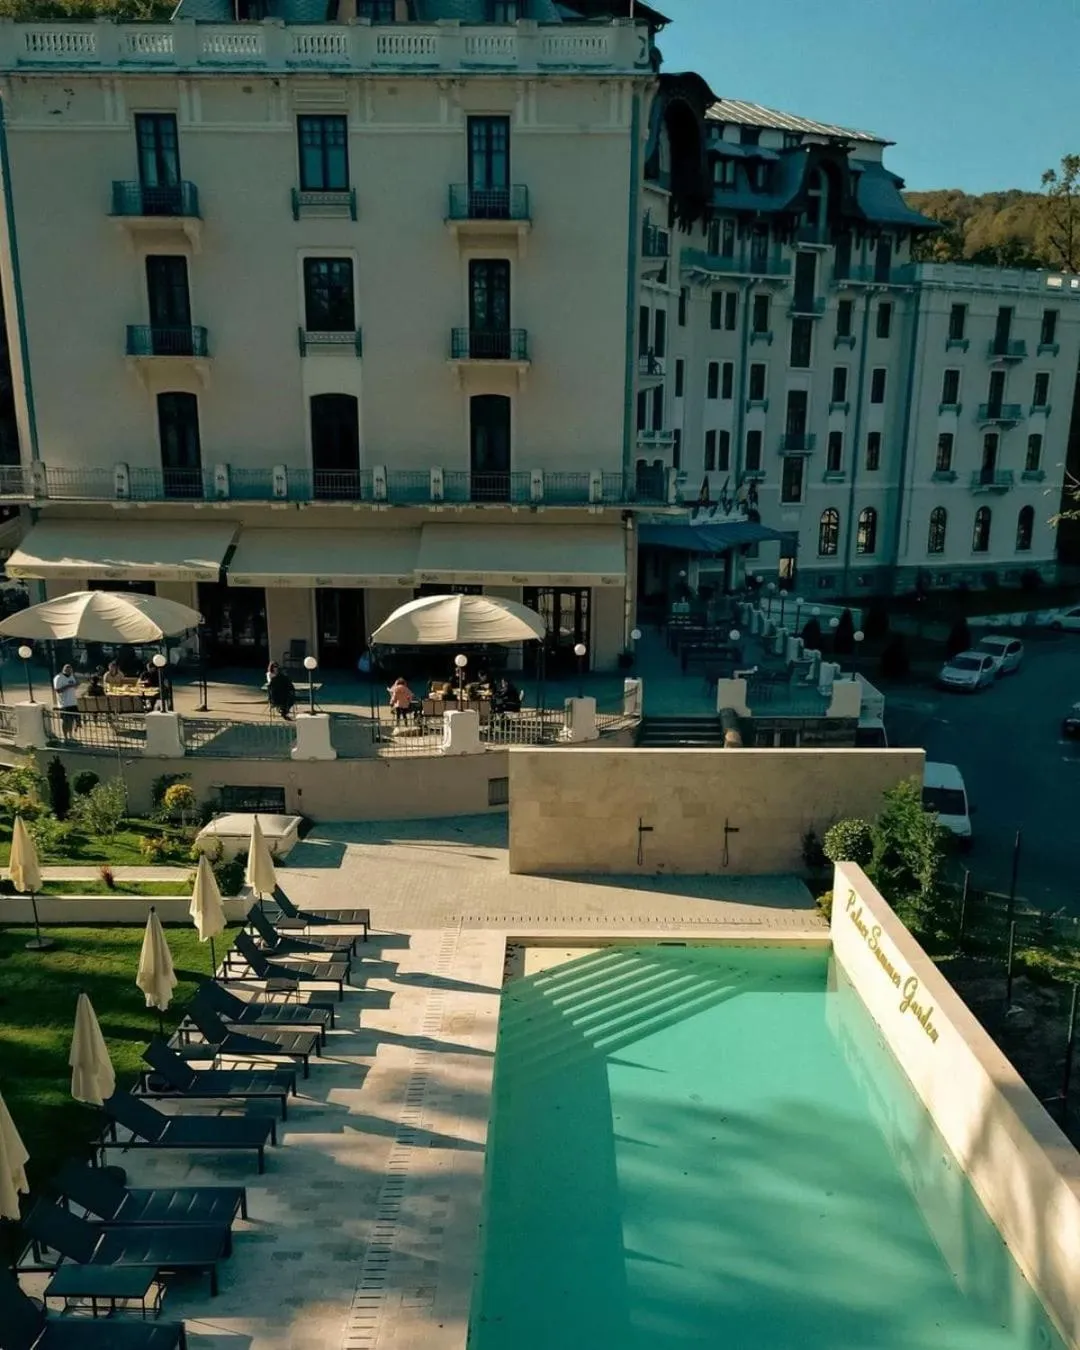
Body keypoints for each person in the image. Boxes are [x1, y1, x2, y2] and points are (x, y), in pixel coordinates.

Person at [52, 663, 79, 739]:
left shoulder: (72, 676)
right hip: (64, 703)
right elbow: (58, 690)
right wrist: (68, 686)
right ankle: (65, 736)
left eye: (70, 669)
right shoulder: (58, 677)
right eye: (67, 669)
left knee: (72, 721)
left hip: (73, 702)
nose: (69, 671)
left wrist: (75, 679)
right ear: (64, 669)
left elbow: (76, 685)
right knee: (65, 721)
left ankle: (70, 735)